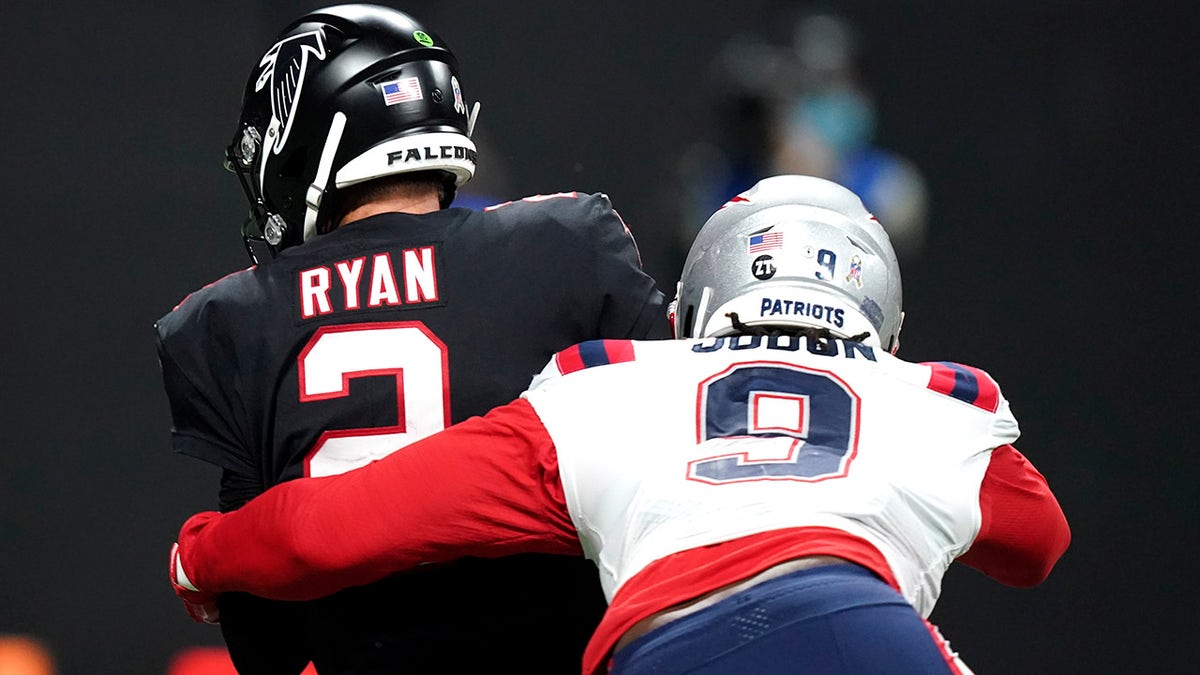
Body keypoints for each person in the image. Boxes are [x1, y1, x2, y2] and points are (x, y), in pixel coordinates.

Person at [169, 175, 1071, 674]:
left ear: (696, 296)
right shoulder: (934, 408)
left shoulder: (603, 391)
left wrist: (203, 554)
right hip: (861, 630)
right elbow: (1038, 544)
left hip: (668, 645)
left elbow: (332, 528)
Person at [154, 4, 670, 673]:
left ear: (302, 135)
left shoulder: (232, 318)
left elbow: (265, 639)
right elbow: (666, 482)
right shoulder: (569, 244)